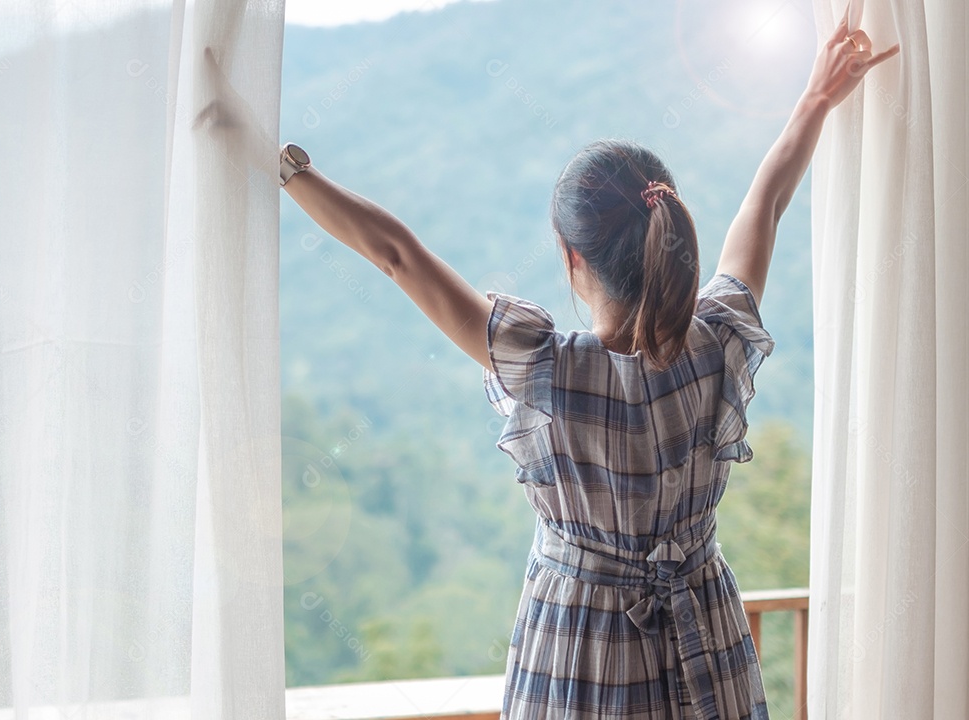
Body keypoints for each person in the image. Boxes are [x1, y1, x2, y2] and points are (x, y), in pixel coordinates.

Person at [274, 6, 898, 719]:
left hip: (580, 647)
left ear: (574, 259)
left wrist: (286, 169)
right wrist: (816, 99)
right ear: (670, 230)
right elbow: (768, 202)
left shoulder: (543, 367)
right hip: (706, 632)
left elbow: (398, 257)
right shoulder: (716, 342)